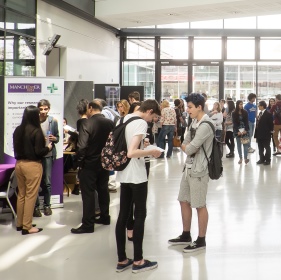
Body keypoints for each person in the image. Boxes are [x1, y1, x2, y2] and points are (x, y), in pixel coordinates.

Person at [115, 99, 161, 273]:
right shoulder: (141, 122)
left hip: (124, 174)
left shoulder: (122, 119)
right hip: (137, 175)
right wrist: (152, 151)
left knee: (123, 216)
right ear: (149, 111)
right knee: (140, 215)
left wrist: (144, 144)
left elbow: (127, 145)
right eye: (154, 117)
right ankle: (139, 261)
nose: (152, 121)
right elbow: (132, 152)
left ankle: (122, 260)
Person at [168, 93, 214, 253]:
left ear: (199, 107)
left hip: (200, 170)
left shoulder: (206, 125)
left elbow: (191, 147)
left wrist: (186, 147)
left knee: (199, 204)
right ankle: (186, 234)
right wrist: (186, 147)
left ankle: (201, 240)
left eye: (190, 107)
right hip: (188, 168)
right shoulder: (194, 122)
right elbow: (185, 142)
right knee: (183, 200)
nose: (187, 110)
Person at [71, 101, 114, 234]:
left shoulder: (86, 123)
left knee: (88, 194)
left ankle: (88, 224)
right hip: (104, 162)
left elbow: (82, 146)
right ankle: (105, 217)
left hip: (89, 164)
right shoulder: (110, 123)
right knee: (103, 190)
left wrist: (79, 162)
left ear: (90, 108)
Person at [13, 106, 52, 234]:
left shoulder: (18, 130)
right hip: (32, 166)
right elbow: (39, 152)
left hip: (19, 164)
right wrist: (49, 148)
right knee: (31, 196)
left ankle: (20, 223)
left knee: (21, 195)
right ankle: (27, 226)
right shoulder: (36, 131)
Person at [33, 99, 59, 217]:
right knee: (36, 183)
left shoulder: (53, 121)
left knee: (47, 181)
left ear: (49, 108)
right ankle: (36, 206)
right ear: (38, 109)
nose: (43, 111)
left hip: (48, 155)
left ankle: (47, 205)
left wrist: (55, 139)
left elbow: (57, 137)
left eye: (46, 109)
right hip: (36, 155)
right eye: (41, 109)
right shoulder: (34, 121)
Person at [254, 101, 274, 165]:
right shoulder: (260, 113)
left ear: (262, 106)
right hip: (259, 134)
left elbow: (271, 124)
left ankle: (268, 160)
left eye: (259, 105)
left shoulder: (268, 114)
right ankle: (261, 159)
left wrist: (270, 132)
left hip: (266, 134)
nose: (258, 107)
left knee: (267, 147)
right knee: (260, 147)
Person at [232, 100, 250, 164]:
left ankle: (245, 158)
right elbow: (234, 123)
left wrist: (246, 130)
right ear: (237, 105)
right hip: (238, 130)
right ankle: (240, 158)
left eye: (242, 104)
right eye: (240, 104)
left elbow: (247, 122)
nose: (241, 105)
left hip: (245, 130)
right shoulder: (234, 113)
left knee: (245, 144)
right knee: (239, 145)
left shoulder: (245, 112)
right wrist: (237, 131)